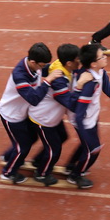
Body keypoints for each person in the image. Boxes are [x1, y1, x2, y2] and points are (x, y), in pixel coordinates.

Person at [28, 43, 93, 186]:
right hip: (43, 118)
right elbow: (70, 103)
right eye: (78, 60)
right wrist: (80, 85)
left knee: (63, 136)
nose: (80, 62)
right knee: (54, 149)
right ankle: (41, 174)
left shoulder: (60, 64)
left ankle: (38, 161)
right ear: (69, 63)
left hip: (52, 116)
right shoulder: (59, 80)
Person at [0, 42, 59, 185]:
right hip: (11, 115)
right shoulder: (20, 75)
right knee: (23, 147)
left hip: (23, 112)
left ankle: (8, 157)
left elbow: (46, 69)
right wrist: (48, 81)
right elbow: (34, 99)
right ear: (33, 62)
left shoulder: (34, 66)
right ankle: (8, 173)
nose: (42, 68)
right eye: (41, 65)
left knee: (31, 138)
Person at [66, 43, 110, 189]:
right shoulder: (89, 84)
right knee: (93, 150)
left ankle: (70, 165)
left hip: (91, 115)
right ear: (93, 64)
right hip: (83, 119)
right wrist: (83, 129)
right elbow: (79, 111)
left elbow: (104, 78)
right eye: (102, 56)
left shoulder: (98, 71)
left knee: (86, 145)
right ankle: (75, 175)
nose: (105, 57)